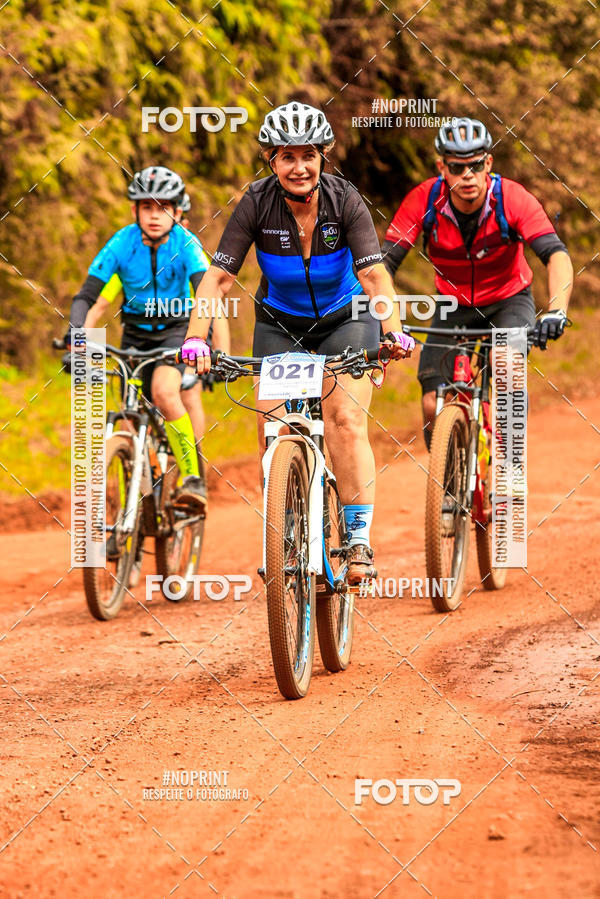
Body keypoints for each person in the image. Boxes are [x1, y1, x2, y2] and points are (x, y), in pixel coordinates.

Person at [180, 100, 415, 585]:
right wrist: (195, 340)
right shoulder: (256, 202)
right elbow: (218, 279)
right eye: (288, 156)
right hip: (280, 322)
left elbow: (373, 275)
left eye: (308, 155)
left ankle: (356, 539)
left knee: (345, 419)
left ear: (323, 156)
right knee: (273, 427)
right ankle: (284, 530)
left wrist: (390, 331)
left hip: (344, 318)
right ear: (272, 161)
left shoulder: (345, 200)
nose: (300, 166)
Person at [382, 117, 573, 449]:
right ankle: (451, 486)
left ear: (488, 163)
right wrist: (381, 317)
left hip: (509, 299)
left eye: (474, 165)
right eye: (457, 167)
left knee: (505, 364)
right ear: (442, 167)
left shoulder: (513, 198)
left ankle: (509, 470)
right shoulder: (424, 200)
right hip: (453, 305)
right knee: (432, 402)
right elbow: (383, 265)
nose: (467, 175)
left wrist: (556, 311)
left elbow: (555, 254)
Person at [66, 165, 215, 510]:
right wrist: (77, 339)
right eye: (147, 207)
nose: (154, 215)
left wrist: (208, 345)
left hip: (176, 332)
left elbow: (205, 295)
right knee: (130, 412)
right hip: (134, 335)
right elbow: (87, 297)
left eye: (163, 208)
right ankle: (137, 480)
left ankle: (193, 476)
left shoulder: (186, 243)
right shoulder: (122, 242)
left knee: (164, 391)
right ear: (135, 210)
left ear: (178, 212)